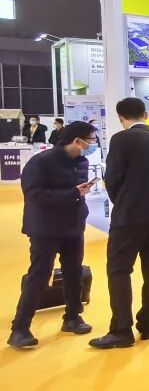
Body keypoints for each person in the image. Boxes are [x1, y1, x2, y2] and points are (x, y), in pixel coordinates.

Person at [89, 98, 149, 349]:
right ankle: (148, 325)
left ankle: (121, 330)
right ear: (146, 115)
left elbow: (112, 178)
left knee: (119, 270)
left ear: (121, 118)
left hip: (129, 215)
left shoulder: (121, 139)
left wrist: (123, 201)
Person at [8, 121, 97, 348]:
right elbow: (34, 194)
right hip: (45, 228)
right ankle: (20, 328)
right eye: (91, 140)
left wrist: (80, 197)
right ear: (77, 141)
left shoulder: (82, 162)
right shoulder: (41, 162)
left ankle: (73, 317)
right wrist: (72, 193)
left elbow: (76, 193)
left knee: (74, 273)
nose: (93, 144)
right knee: (39, 275)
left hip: (73, 226)